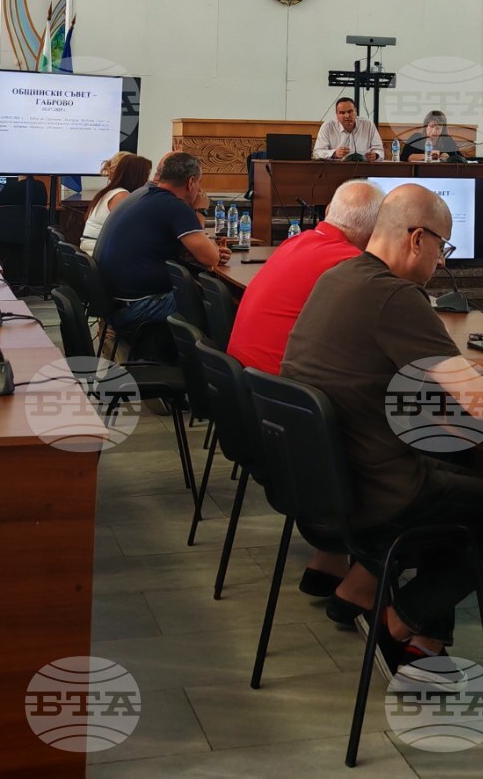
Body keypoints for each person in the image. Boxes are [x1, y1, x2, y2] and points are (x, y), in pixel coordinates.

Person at [281, 184, 483, 677]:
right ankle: (401, 620)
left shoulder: (340, 277)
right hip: (378, 494)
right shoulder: (396, 296)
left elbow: (432, 371)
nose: (442, 262)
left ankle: (381, 607)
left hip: (324, 487)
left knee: (455, 453)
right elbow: (482, 404)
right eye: (442, 247)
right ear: (417, 239)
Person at [224, 180, 384, 609]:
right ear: (374, 229)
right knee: (414, 441)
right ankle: (368, 578)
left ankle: (330, 557)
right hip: (297, 429)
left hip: (258, 412)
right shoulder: (351, 265)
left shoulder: (297, 244)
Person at [230, 181, 383, 374]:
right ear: (377, 229)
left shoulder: (294, 241)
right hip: (280, 383)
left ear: (328, 210)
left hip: (241, 376)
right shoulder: (351, 262)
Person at [93, 151, 227, 358]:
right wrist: (201, 209)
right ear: (191, 182)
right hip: (138, 306)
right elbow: (211, 258)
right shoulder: (174, 205)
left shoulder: (140, 195)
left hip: (113, 302)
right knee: (215, 302)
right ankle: (210, 367)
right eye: (199, 183)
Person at [80, 153, 152, 255]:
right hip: (99, 252)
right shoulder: (122, 196)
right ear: (137, 176)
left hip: (92, 250)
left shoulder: (109, 192)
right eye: (146, 175)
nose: (148, 180)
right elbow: (134, 230)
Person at [312, 97, 384, 161]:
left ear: (355, 112)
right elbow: (317, 153)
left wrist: (375, 155)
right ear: (336, 114)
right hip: (336, 169)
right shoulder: (327, 127)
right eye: (342, 113)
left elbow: (380, 151)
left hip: (364, 168)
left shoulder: (368, 125)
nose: (347, 116)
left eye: (350, 111)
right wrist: (334, 153)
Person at [397, 110, 464, 162]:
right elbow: (405, 157)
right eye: (431, 126)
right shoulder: (416, 137)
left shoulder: (446, 139)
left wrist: (447, 157)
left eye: (438, 128)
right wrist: (428, 155)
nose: (434, 131)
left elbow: (460, 158)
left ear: (442, 130)